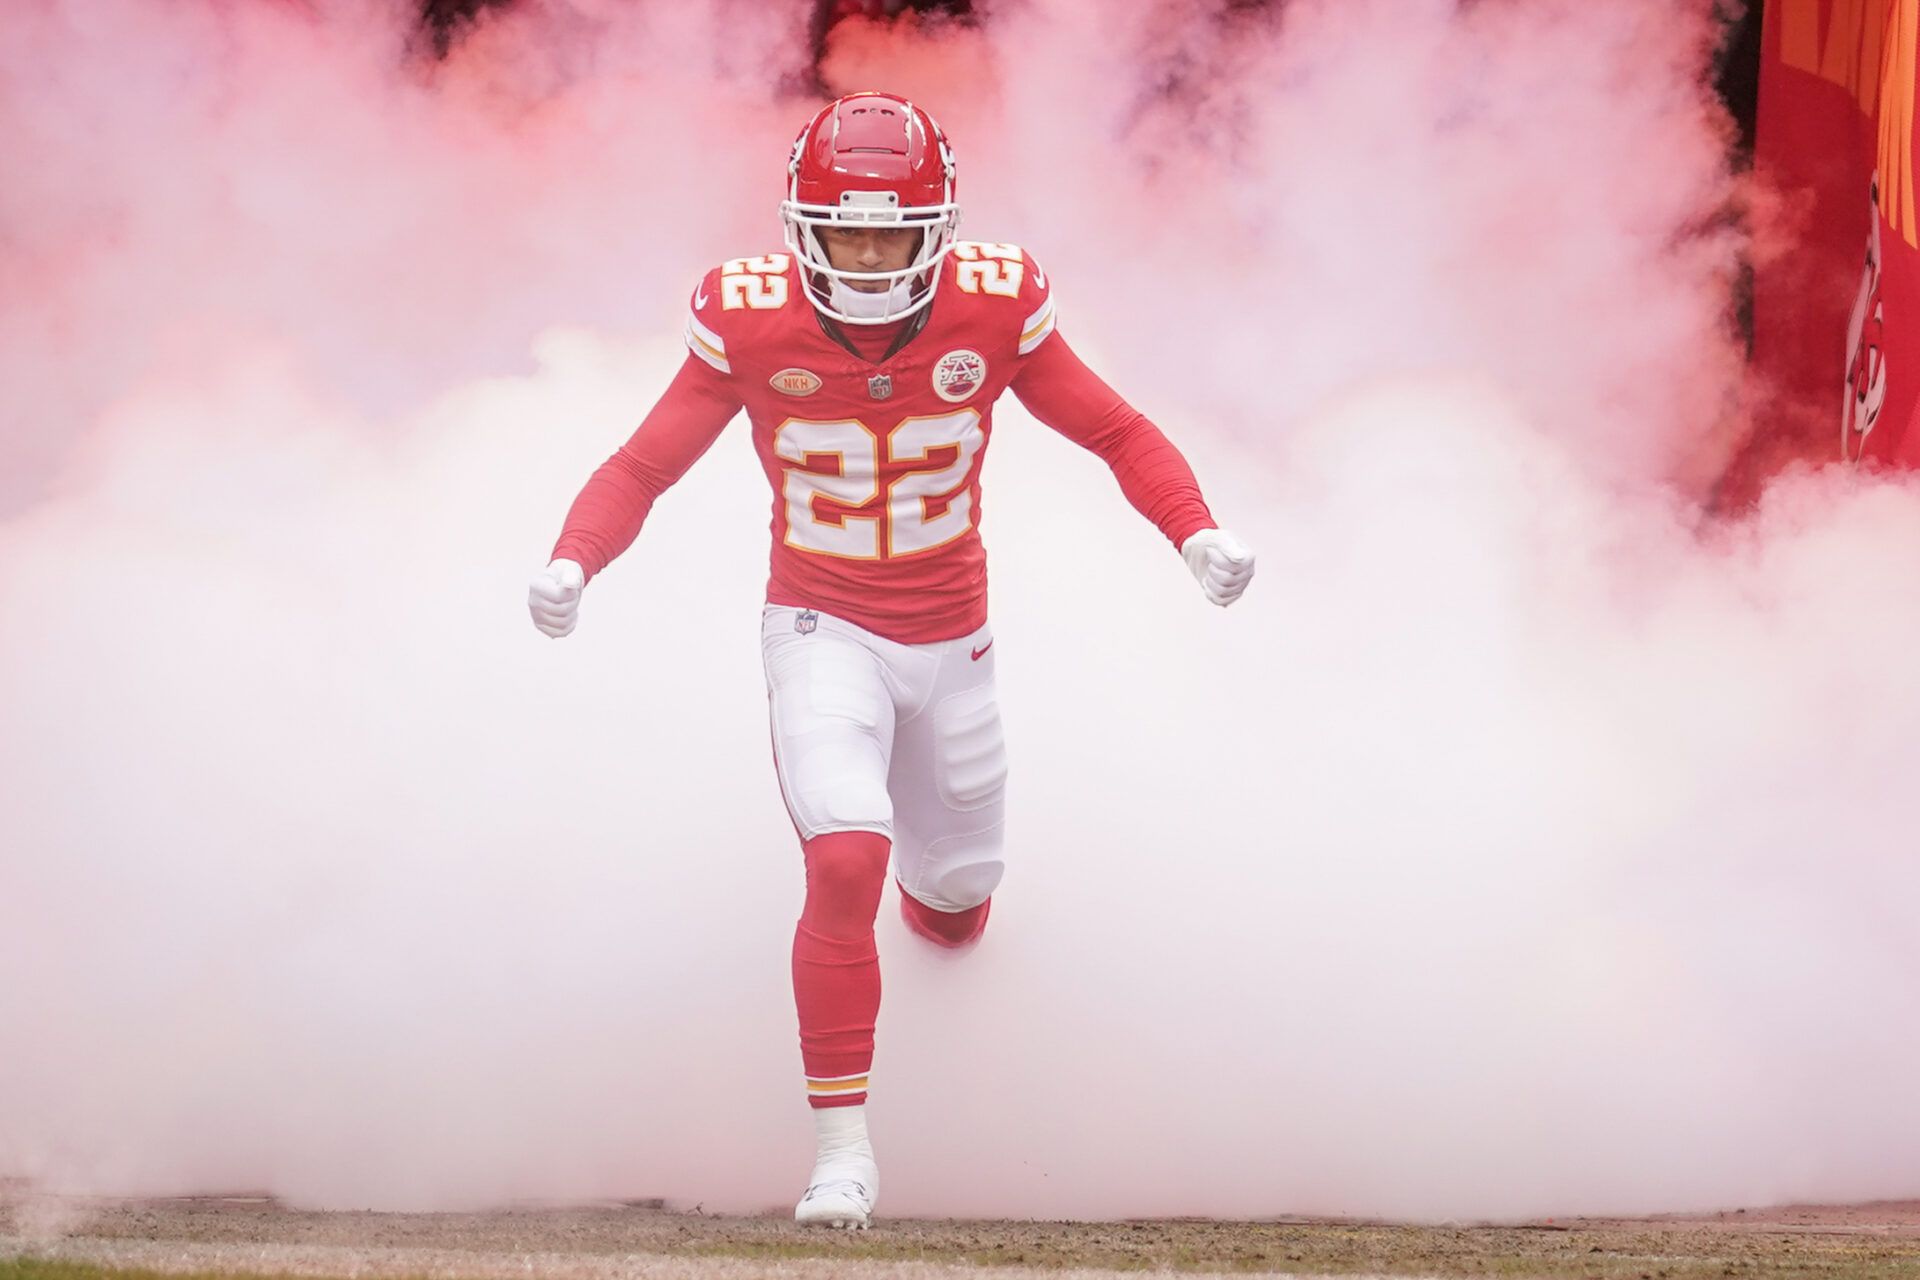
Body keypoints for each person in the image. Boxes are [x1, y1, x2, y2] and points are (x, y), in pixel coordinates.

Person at [529, 90, 1254, 1230]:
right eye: (846, 232)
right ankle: (842, 1156)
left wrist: (1194, 526)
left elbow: (1115, 429)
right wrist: (576, 559)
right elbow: (642, 464)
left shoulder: (997, 304)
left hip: (954, 644)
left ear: (941, 231)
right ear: (801, 229)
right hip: (822, 628)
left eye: (890, 234)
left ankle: (956, 998)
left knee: (958, 895)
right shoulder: (747, 318)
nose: (867, 258)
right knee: (848, 853)